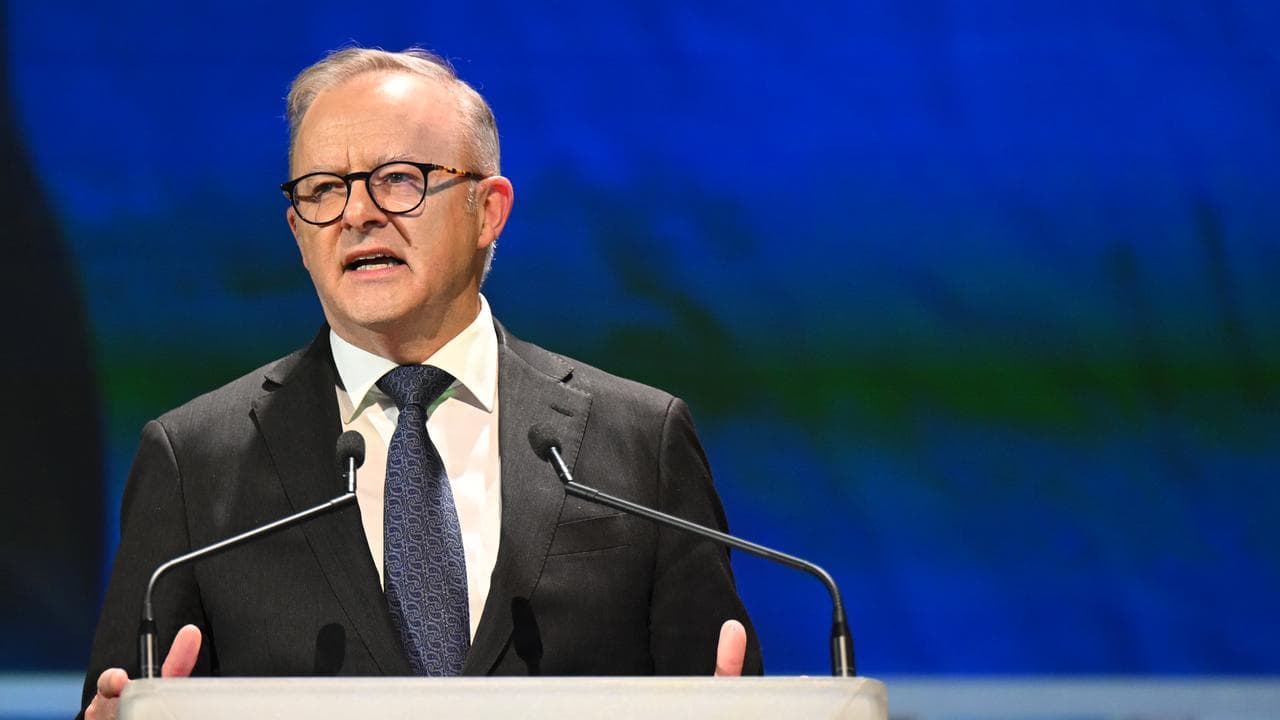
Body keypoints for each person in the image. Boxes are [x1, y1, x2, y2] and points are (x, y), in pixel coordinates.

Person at [80, 47, 761, 720]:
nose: (356, 214)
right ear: (297, 230)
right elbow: (119, 697)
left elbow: (724, 688)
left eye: (398, 179)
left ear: (488, 211)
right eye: (322, 189)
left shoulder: (639, 439)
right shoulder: (194, 460)